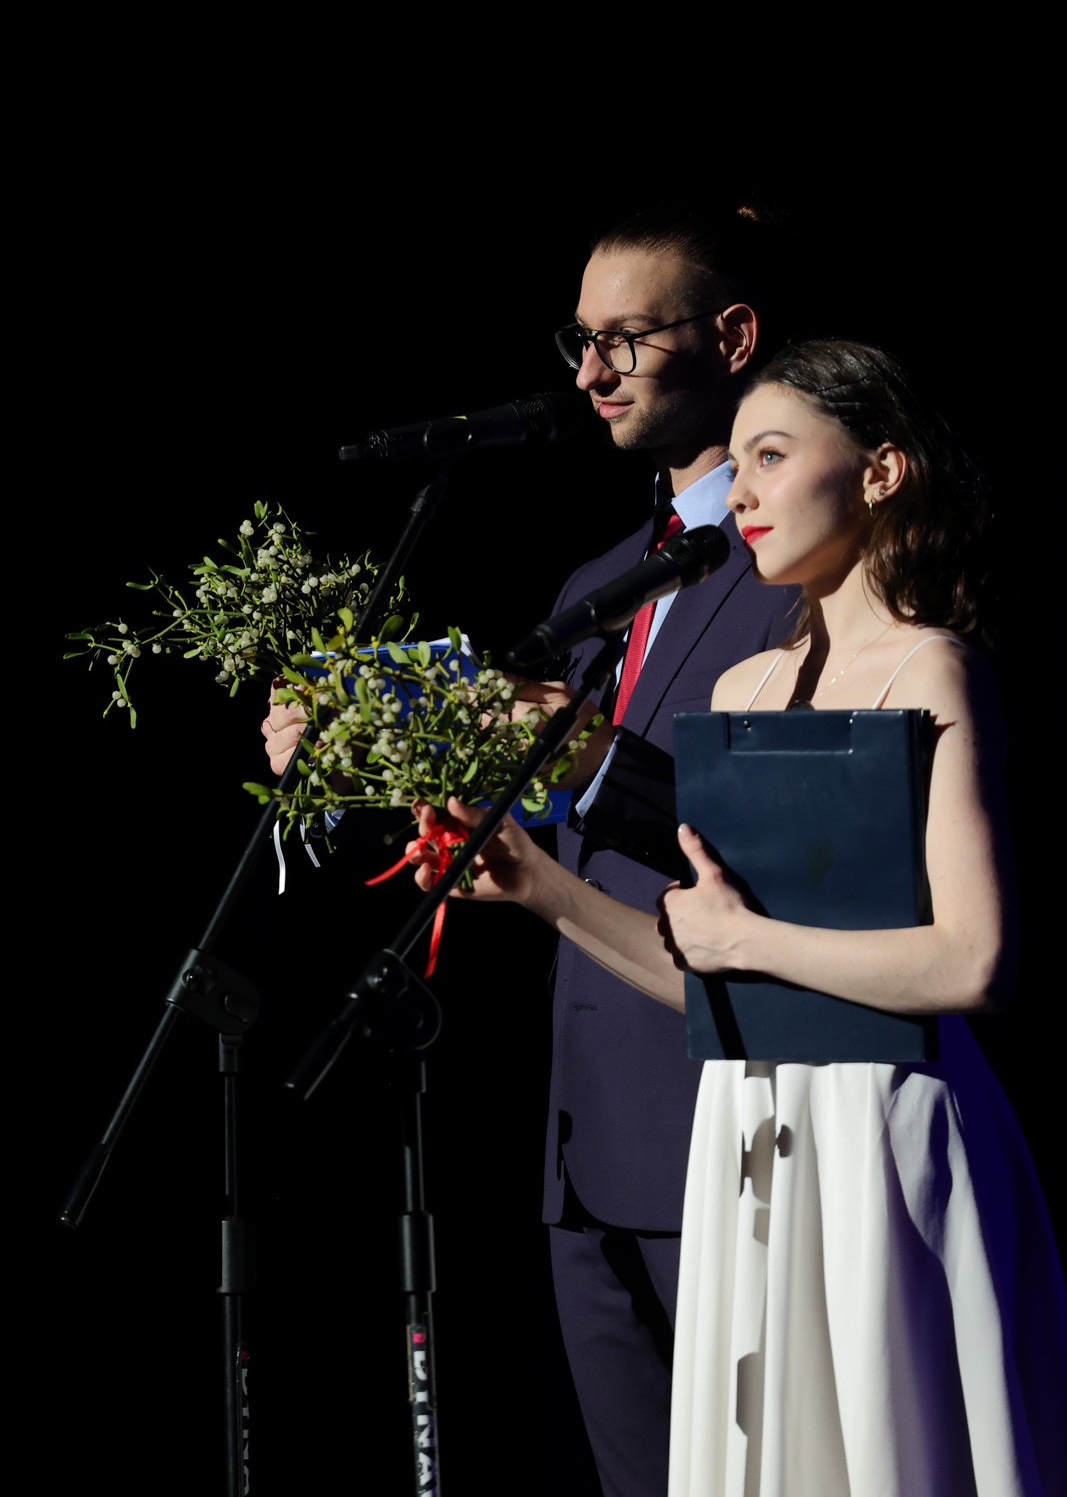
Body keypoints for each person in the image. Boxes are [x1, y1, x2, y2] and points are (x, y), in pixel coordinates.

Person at [405, 337, 1067, 1496]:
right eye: (739, 460)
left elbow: (974, 961)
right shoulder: (740, 688)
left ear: (879, 472)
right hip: (747, 1133)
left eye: (770, 456)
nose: (741, 491)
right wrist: (538, 886)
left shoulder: (930, 669)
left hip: (878, 1127)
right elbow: (710, 980)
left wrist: (743, 940)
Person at [262, 199, 811, 1495]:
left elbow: (778, 849)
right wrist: (351, 755)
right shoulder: (597, 585)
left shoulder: (801, 570)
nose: (589, 374)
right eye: (579, 339)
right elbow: (530, 823)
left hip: (729, 1133)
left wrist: (581, 759)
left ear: (732, 338)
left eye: (626, 338)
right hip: (586, 1141)